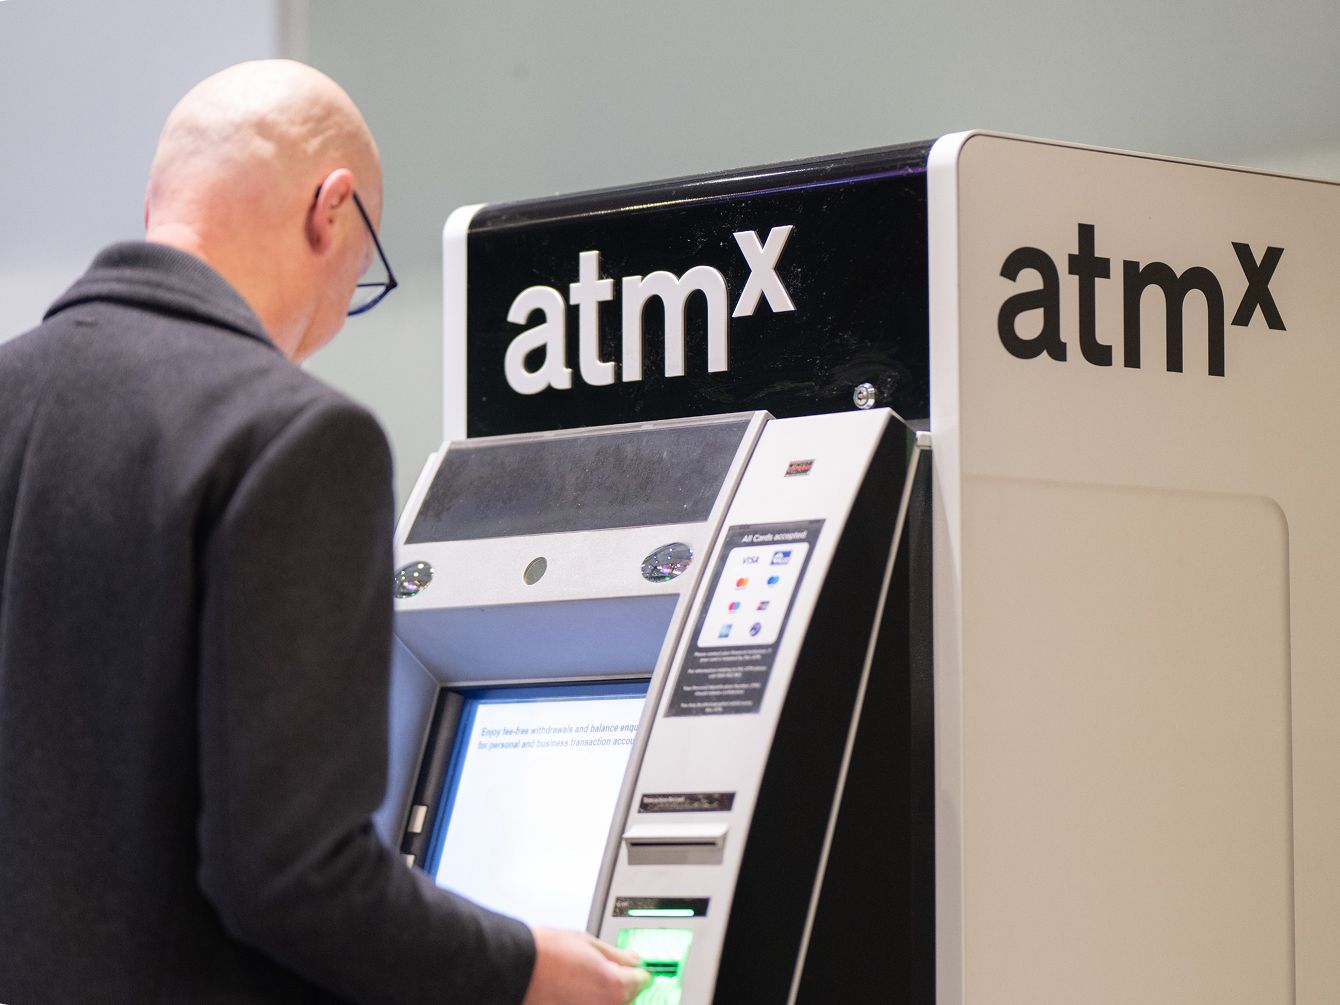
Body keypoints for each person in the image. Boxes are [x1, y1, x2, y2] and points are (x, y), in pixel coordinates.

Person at [0, 60, 648, 1005]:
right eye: (364, 269)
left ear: (158, 203)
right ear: (331, 210)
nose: (344, 309)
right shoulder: (293, 438)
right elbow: (292, 874)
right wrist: (523, 966)